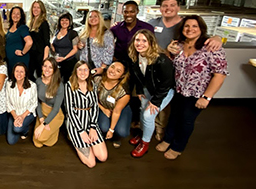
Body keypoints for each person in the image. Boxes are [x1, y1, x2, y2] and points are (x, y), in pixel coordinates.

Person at [148, 0, 223, 141]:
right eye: (165, 5)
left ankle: (163, 133)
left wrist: (217, 37)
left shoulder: (187, 26)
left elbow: (219, 74)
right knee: (165, 109)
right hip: (168, 79)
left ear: (178, 8)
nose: (168, 8)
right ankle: (157, 132)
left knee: (174, 113)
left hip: (188, 87)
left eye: (172, 5)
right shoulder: (154, 23)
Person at [157, 15, 228, 160]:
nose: (190, 29)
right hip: (178, 90)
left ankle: (178, 147)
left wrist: (206, 97)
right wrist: (168, 51)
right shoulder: (179, 45)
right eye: (187, 26)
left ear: (201, 28)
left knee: (186, 120)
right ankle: (168, 139)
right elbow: (169, 64)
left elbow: (219, 75)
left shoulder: (211, 47)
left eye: (194, 26)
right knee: (174, 116)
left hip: (197, 93)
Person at [128, 29, 175, 158]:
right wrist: (139, 90)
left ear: (151, 43)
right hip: (148, 88)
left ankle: (145, 143)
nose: (140, 43)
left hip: (163, 91)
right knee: (143, 110)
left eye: (144, 40)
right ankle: (143, 134)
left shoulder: (161, 59)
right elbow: (136, 76)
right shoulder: (134, 56)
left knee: (148, 115)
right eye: (137, 40)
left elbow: (167, 83)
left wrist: (155, 101)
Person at [65, 61, 108, 168]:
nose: (83, 72)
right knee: (91, 164)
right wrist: (81, 132)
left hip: (90, 120)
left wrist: (93, 128)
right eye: (80, 69)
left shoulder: (92, 84)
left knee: (103, 157)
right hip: (76, 122)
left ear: (89, 71)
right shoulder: (69, 85)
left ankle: (90, 143)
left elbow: (94, 106)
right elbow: (70, 110)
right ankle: (74, 139)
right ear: (75, 71)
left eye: (85, 69)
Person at [96, 61, 131, 149]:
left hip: (120, 110)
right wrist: (103, 109)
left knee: (122, 131)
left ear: (122, 76)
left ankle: (117, 138)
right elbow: (93, 99)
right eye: (112, 67)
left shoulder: (124, 91)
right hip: (104, 106)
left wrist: (111, 130)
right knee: (103, 128)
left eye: (118, 71)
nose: (113, 71)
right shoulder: (98, 80)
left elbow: (116, 111)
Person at [33, 57, 65, 148]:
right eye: (45, 66)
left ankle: (53, 129)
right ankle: (50, 131)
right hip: (42, 111)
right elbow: (37, 102)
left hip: (55, 114)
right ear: (42, 67)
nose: (47, 69)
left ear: (54, 70)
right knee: (37, 143)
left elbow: (56, 109)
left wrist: (43, 124)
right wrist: (41, 118)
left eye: (50, 67)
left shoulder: (59, 85)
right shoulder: (38, 81)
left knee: (41, 138)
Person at [5, 63, 37, 145]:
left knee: (17, 129)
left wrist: (22, 117)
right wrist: (15, 117)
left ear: (25, 73)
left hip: (27, 113)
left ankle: (25, 131)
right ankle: (20, 127)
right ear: (13, 72)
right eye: (17, 71)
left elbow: (34, 103)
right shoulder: (9, 84)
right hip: (14, 113)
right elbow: (7, 102)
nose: (19, 74)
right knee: (11, 141)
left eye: (21, 72)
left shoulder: (32, 86)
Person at [77, 10, 114, 75]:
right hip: (84, 68)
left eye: (95, 16)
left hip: (98, 68)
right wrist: (79, 46)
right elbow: (81, 48)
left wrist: (102, 68)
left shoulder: (106, 34)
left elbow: (109, 52)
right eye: (90, 17)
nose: (93, 19)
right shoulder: (83, 32)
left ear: (100, 18)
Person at [51, 12, 79, 83]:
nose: (64, 22)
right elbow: (54, 47)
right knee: (56, 82)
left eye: (66, 20)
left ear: (70, 22)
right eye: (62, 20)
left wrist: (65, 57)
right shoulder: (56, 32)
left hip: (69, 62)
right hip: (58, 63)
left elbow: (75, 49)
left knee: (68, 82)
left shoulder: (73, 33)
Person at [27, 0, 51, 80]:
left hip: (40, 55)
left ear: (42, 10)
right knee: (29, 75)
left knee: (41, 76)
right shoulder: (31, 23)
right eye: (34, 7)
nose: (36, 9)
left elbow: (47, 43)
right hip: (32, 55)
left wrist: (45, 60)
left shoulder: (44, 24)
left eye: (38, 7)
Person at [5, 7, 33, 73]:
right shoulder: (11, 28)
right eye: (14, 13)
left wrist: (23, 52)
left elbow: (29, 42)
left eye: (18, 14)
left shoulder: (22, 28)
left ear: (21, 16)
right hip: (11, 61)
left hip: (19, 61)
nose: (15, 15)